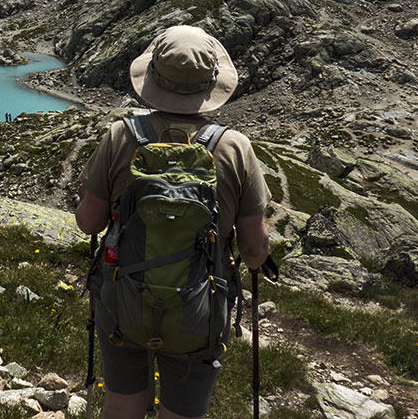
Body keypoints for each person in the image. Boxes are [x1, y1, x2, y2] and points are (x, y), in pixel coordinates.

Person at [75, 25, 271, 419]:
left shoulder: (120, 136)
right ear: (211, 85)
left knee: (121, 407)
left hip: (122, 298)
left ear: (151, 78)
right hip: (201, 308)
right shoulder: (235, 148)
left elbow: (88, 223)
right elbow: (254, 250)